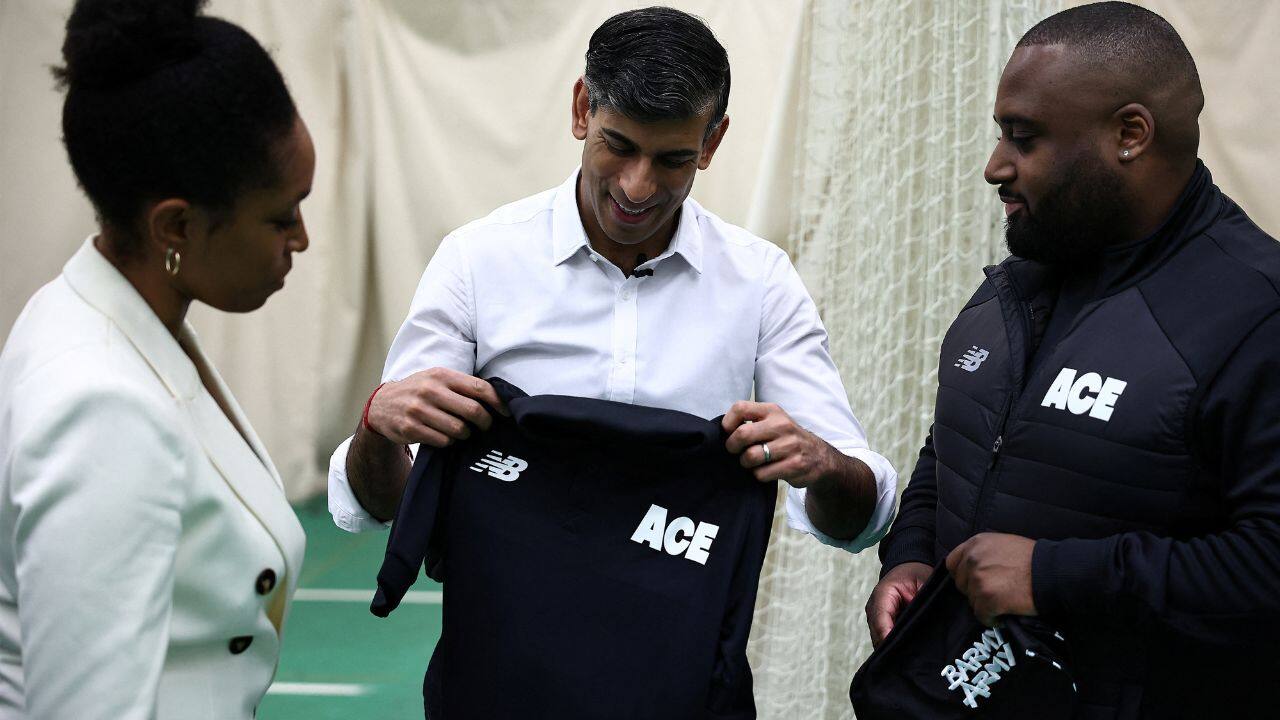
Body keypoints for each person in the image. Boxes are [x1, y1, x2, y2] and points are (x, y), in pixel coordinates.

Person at [329, 8, 896, 571]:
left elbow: (854, 521)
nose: (637, 186)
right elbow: (380, 504)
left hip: (682, 651)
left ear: (711, 142)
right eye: (619, 146)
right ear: (582, 109)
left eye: (672, 159)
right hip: (498, 642)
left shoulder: (761, 280)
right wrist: (375, 424)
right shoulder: (477, 261)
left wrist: (821, 462)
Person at [867, 3, 1280, 717]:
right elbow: (957, 443)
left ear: (1129, 134)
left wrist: (1053, 575)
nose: (996, 166)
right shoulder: (1016, 281)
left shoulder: (1253, 313)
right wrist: (909, 556)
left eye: (1023, 139)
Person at [0, 0, 313, 717]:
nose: (301, 239)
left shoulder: (108, 311)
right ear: (176, 224)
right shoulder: (100, 406)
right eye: (281, 215)